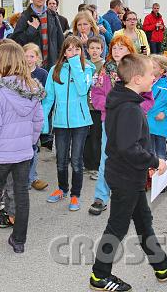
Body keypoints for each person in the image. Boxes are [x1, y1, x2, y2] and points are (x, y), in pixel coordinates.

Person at [89, 54, 167, 291]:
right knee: (117, 227)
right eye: (150, 74)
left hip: (129, 175)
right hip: (126, 176)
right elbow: (128, 147)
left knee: (144, 222)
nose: (154, 77)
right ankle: (99, 275)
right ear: (137, 79)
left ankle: (162, 266)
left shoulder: (124, 100)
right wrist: (155, 161)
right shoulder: (129, 109)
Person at [0, 41, 44, 254]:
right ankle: (19, 241)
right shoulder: (32, 89)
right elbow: (38, 121)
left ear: (3, 63)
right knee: (21, 193)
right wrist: (30, 142)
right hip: (23, 152)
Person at [88, 35, 151, 216]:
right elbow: (96, 93)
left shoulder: (138, 71)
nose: (116, 52)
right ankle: (101, 197)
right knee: (106, 160)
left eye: (121, 48)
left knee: (131, 159)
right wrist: (107, 104)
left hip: (132, 124)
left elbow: (148, 98)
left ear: (130, 50)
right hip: (110, 122)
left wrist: (134, 110)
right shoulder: (104, 71)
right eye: (114, 48)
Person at [42, 36, 94, 212]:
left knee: (77, 161)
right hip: (60, 122)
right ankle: (62, 189)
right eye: (69, 49)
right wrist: (43, 123)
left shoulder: (87, 69)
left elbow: (82, 89)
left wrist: (76, 66)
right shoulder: (54, 70)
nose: (73, 53)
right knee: (61, 160)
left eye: (77, 49)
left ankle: (75, 194)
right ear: (64, 52)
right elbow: (48, 98)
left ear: (81, 51)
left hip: (80, 122)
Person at [10, 0, 64, 69]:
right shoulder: (25, 16)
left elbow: (60, 40)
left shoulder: (52, 15)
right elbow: (16, 41)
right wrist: (31, 30)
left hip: (51, 64)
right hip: (32, 65)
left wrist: (60, 60)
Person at [22, 43, 48, 191]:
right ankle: (23, 178)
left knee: (34, 147)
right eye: (26, 56)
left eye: (32, 56)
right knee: (24, 147)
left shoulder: (42, 74)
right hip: (21, 116)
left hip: (35, 116)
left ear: (37, 58)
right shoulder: (18, 72)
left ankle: (32, 177)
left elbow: (45, 95)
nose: (29, 59)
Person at [146, 55, 167, 160]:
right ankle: (148, 176)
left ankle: (162, 175)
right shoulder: (144, 82)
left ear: (161, 70)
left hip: (159, 126)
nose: (150, 68)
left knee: (160, 155)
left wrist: (165, 113)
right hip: (144, 125)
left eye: (154, 67)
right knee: (147, 154)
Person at [83, 36, 105, 179]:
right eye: (92, 48)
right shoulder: (84, 64)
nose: (95, 51)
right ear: (87, 49)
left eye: (98, 48)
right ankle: (87, 163)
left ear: (102, 50)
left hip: (97, 107)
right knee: (86, 136)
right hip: (85, 106)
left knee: (97, 136)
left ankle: (97, 166)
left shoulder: (104, 65)